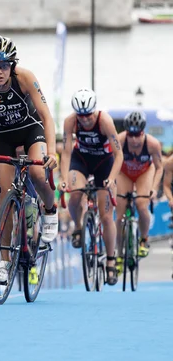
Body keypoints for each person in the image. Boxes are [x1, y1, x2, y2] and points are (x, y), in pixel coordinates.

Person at [0, 36, 59, 285]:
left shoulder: (26, 78)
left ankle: (50, 210)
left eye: (4, 65)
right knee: (4, 202)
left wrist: (51, 151)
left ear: (12, 66)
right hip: (2, 136)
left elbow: (46, 116)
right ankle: (4, 261)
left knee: (38, 174)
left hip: (31, 129)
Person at [59, 88, 123, 286]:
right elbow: (67, 152)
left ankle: (111, 260)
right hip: (82, 160)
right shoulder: (70, 121)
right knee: (75, 194)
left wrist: (112, 179)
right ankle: (78, 226)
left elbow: (118, 154)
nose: (85, 120)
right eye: (81, 115)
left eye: (88, 115)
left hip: (104, 163)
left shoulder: (105, 121)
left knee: (106, 216)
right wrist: (63, 178)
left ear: (94, 111)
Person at [115, 111, 163, 260]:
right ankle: (119, 253)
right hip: (124, 173)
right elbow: (111, 162)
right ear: (126, 133)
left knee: (141, 204)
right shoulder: (119, 140)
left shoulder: (152, 144)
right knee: (120, 215)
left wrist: (154, 189)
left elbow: (159, 167)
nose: (134, 140)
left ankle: (144, 239)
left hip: (144, 172)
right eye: (131, 135)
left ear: (143, 132)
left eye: (138, 135)